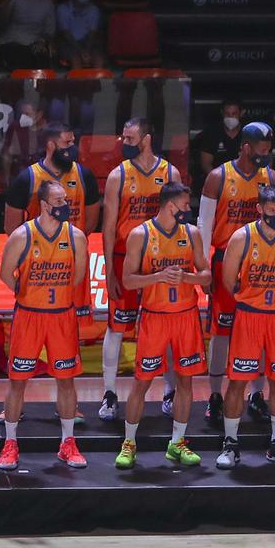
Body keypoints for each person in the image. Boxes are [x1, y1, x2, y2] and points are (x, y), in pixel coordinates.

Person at [214, 186, 275, 468]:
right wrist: (250, 299)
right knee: (238, 382)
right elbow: (229, 280)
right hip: (249, 317)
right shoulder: (242, 237)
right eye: (271, 210)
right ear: (259, 209)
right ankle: (230, 444)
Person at [117, 182, 209, 469]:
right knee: (142, 383)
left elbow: (206, 275)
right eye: (184, 205)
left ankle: (177, 443)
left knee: (185, 380)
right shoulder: (140, 235)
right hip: (154, 317)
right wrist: (158, 277)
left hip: (186, 315)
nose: (188, 210)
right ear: (171, 205)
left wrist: (187, 279)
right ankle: (129, 443)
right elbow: (128, 281)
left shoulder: (191, 234)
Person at [0, 178, 85, 471]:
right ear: (45, 205)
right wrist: (26, 291)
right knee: (17, 381)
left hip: (61, 315)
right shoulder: (22, 235)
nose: (65, 205)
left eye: (66, 200)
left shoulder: (76, 237)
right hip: (29, 315)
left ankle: (68, 443)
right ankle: (10, 443)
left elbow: (77, 277)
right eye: (59, 201)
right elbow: (5, 274)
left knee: (66, 381)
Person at [199, 122, 275, 426]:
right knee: (221, 332)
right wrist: (204, 266)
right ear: (246, 147)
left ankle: (256, 395)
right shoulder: (218, 177)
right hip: (225, 261)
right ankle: (215, 395)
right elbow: (204, 226)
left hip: (261, 265)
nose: (266, 153)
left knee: (260, 328)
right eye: (261, 148)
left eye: (269, 148)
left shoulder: (271, 178)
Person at [97, 116, 178, 423]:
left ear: (146, 139)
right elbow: (107, 227)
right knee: (117, 326)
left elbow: (178, 219)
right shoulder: (119, 175)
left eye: (129, 139)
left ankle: (169, 392)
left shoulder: (170, 172)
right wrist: (109, 271)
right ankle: (109, 393)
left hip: (159, 258)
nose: (124, 144)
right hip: (124, 256)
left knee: (167, 327)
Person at [0, 0, 55, 71]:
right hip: (12, 41)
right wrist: (7, 3)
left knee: (41, 57)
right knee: (17, 56)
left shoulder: (47, 3)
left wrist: (42, 41)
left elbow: (50, 29)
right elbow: (2, 23)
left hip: (36, 43)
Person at [53, 0, 105, 69]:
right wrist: (81, 52)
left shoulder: (94, 10)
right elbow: (66, 34)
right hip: (69, 44)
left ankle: (96, 83)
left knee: (99, 59)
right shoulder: (63, 9)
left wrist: (87, 51)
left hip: (88, 44)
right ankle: (78, 83)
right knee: (76, 60)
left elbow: (92, 34)